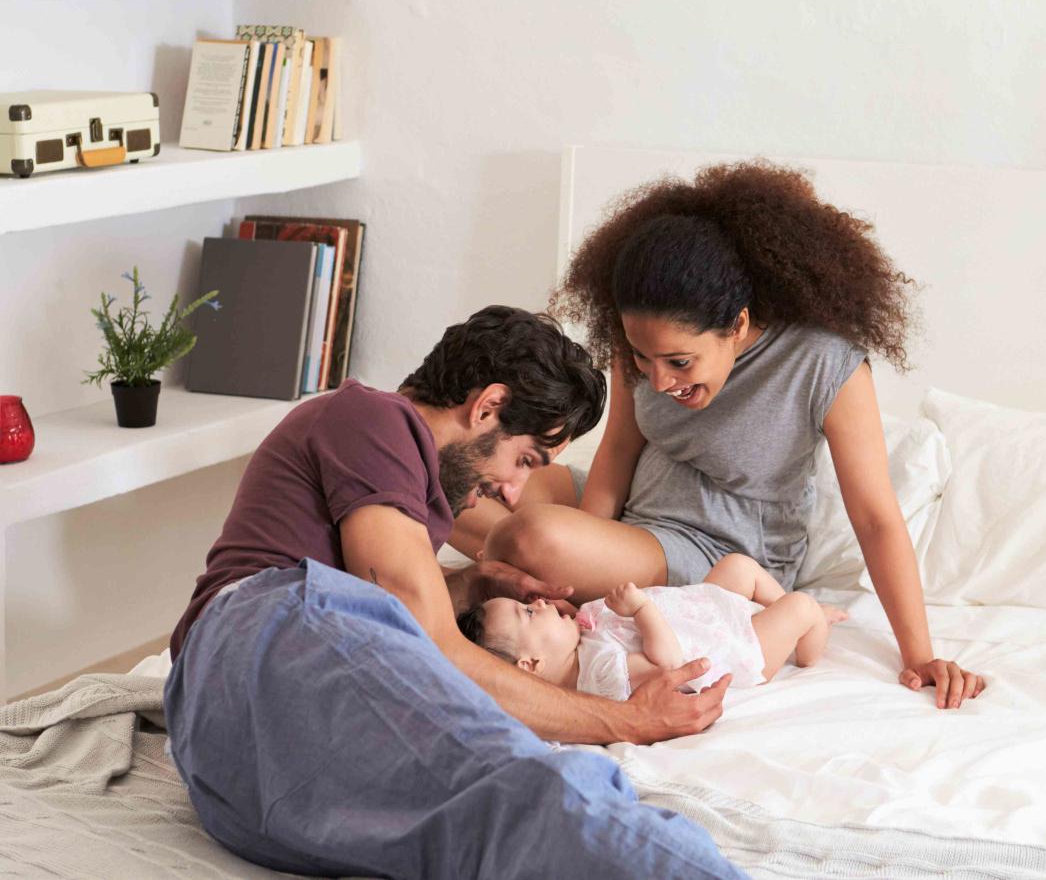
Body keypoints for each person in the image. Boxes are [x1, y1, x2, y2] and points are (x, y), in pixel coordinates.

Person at [164, 306, 747, 880]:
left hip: (231, 772)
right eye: (524, 459)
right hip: (261, 631)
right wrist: (627, 720)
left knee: (479, 836)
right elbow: (429, 642)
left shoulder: (402, 486)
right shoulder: (374, 417)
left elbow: (378, 609)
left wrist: (468, 583)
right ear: (487, 406)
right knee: (529, 796)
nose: (517, 492)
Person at [463, 162, 986, 711]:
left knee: (530, 537)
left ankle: (506, 565)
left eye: (680, 361)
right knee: (454, 477)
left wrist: (920, 653)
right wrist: (595, 546)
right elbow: (619, 447)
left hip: (716, 550)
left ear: (736, 325)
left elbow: (877, 518)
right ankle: (517, 562)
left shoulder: (825, 366)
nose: (659, 380)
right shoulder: (641, 337)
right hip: (636, 511)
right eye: (644, 359)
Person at [459, 552, 849, 701]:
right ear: (532, 664)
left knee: (738, 567)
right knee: (800, 606)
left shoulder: (579, 646)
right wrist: (641, 607)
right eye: (527, 613)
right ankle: (811, 638)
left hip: (701, 616)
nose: (538, 603)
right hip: (730, 649)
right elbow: (667, 662)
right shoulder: (600, 674)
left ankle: (787, 613)